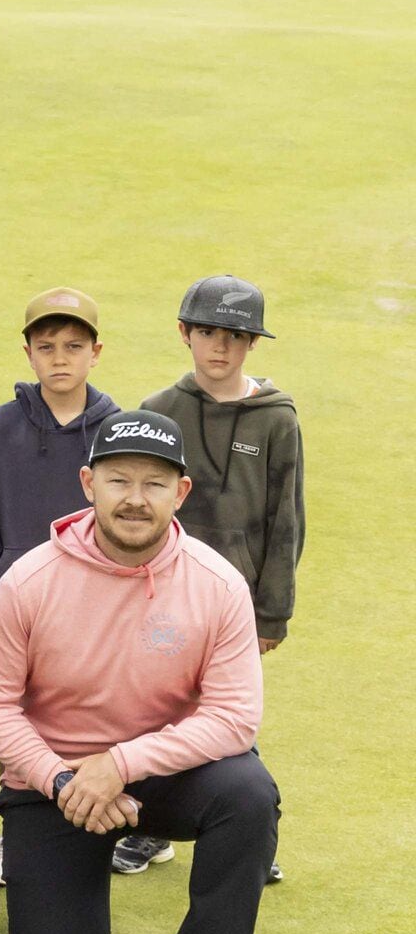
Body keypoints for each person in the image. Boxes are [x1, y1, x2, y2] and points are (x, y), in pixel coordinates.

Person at [0, 410, 275, 934]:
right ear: (87, 483)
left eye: (155, 484)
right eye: (118, 480)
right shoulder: (28, 580)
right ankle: (79, 862)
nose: (136, 499)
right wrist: (61, 780)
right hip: (54, 782)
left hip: (166, 773)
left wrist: (120, 765)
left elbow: (236, 718)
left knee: (247, 793)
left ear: (181, 492)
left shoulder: (219, 585)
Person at [0, 287, 123, 891]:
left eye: (74, 347)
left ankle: (98, 820)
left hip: (97, 604)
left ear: (95, 353)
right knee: (13, 711)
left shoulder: (116, 428)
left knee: (87, 709)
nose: (60, 359)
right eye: (46, 346)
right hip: (11, 602)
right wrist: (0, 569)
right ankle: (19, 827)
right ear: (28, 353)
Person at [145, 276, 301, 653]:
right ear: (184, 332)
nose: (220, 346)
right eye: (207, 331)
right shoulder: (157, 411)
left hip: (238, 600)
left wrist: (272, 615)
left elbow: (286, 521)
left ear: (253, 341)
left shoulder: (276, 419)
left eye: (235, 335)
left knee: (225, 709)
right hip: (159, 595)